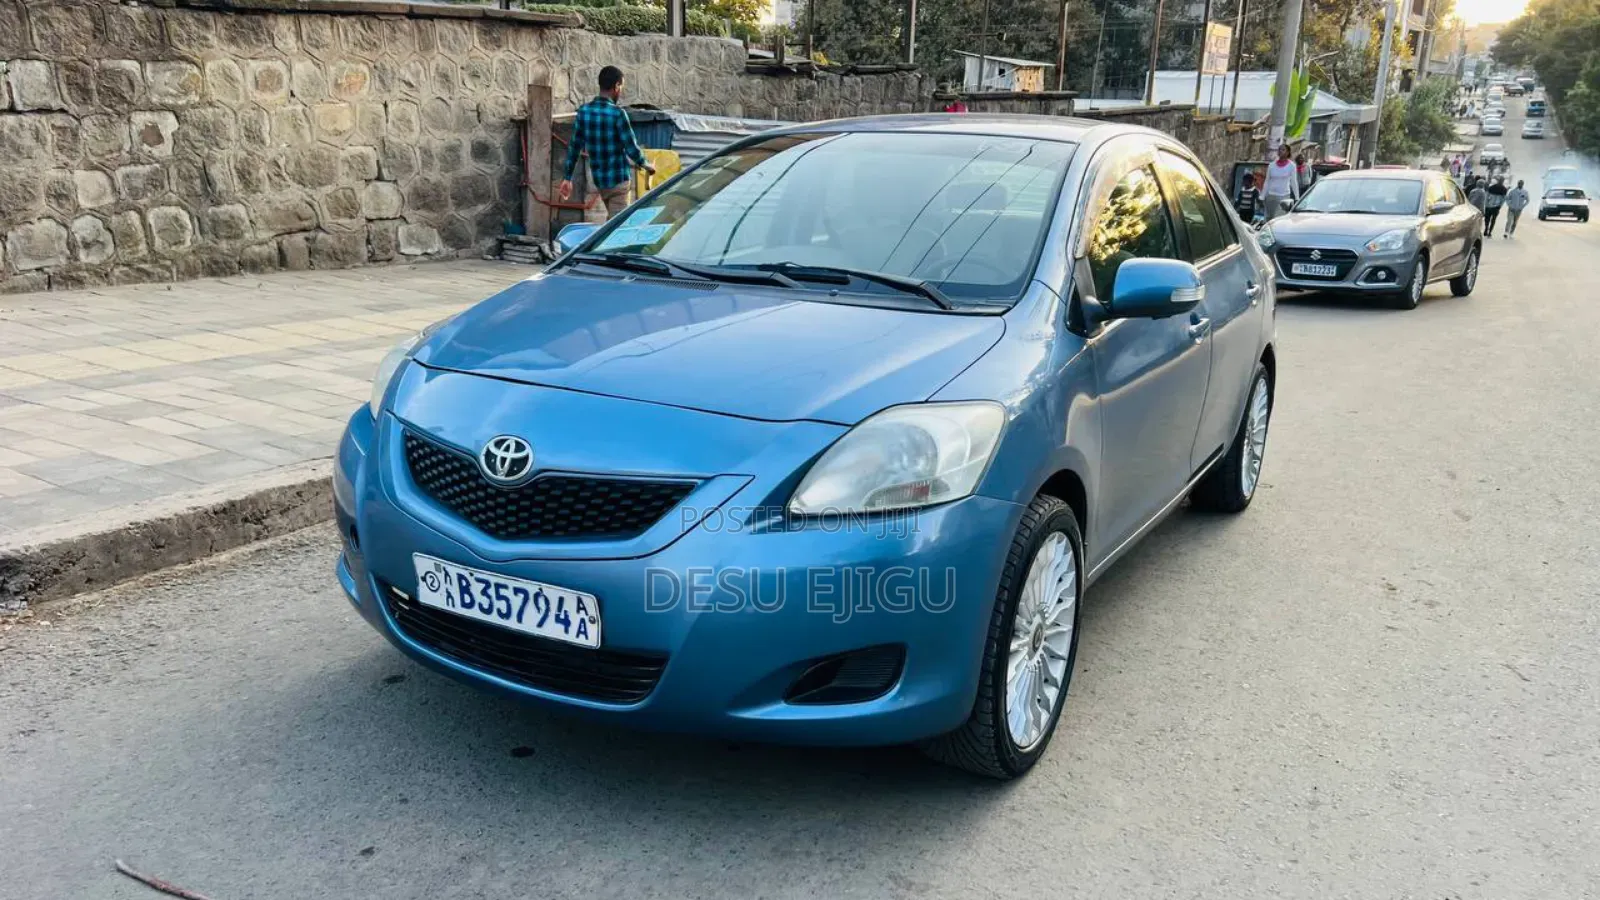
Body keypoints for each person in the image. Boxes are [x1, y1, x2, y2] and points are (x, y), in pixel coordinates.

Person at [558, 65, 655, 219]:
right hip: (618, 181)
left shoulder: (584, 112)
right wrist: (647, 164)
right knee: (618, 227)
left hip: (600, 182)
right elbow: (631, 149)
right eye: (621, 86)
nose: (621, 90)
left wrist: (567, 177)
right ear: (616, 86)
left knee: (612, 220)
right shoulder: (618, 114)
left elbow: (574, 147)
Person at [1262, 144, 1300, 219]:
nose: (1280, 151)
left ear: (1288, 152)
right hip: (1271, 196)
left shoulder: (1292, 166)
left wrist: (1297, 197)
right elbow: (1267, 181)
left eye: (1283, 150)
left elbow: (1294, 182)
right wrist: (1262, 196)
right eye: (1279, 149)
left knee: (1280, 218)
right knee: (1269, 218)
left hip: (1284, 196)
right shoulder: (1271, 165)